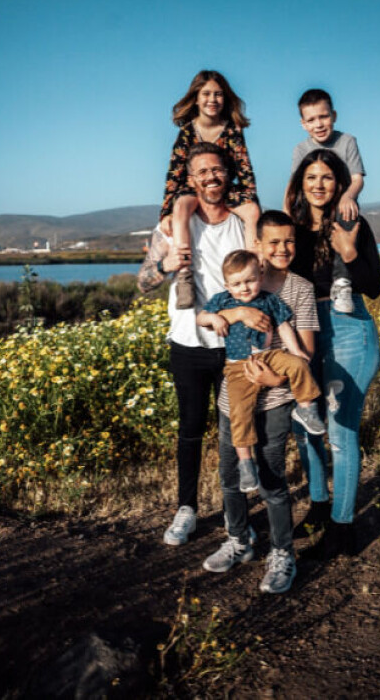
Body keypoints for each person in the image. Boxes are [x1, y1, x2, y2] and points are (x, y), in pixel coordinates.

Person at [202, 210, 320, 594]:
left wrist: (276, 378)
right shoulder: (238, 280)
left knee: (271, 480)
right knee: (231, 476)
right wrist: (235, 311)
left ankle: (282, 552)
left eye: (289, 241)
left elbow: (306, 350)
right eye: (273, 242)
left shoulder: (298, 288)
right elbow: (206, 318)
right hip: (231, 394)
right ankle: (239, 540)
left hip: (276, 397)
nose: (282, 249)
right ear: (257, 245)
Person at [138, 142, 246, 546]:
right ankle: (186, 509)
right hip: (187, 342)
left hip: (235, 344)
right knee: (190, 429)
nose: (211, 178)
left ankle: (235, 512)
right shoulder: (171, 227)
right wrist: (165, 265)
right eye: (202, 172)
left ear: (228, 173)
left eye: (217, 170)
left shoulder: (242, 223)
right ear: (190, 179)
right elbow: (144, 282)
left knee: (235, 431)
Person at [284, 149, 380, 557]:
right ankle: (319, 506)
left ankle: (343, 526)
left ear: (339, 183)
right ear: (300, 184)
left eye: (327, 177)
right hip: (303, 329)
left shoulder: (353, 224)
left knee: (341, 433)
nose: (319, 185)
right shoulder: (290, 228)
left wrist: (348, 249)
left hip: (348, 330)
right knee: (305, 425)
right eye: (311, 177)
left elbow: (374, 284)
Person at [196, 250, 325, 493]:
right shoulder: (223, 301)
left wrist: (297, 350)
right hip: (238, 366)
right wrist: (214, 319)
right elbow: (200, 318)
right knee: (239, 412)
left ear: (260, 276)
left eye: (250, 280)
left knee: (299, 365)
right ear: (227, 285)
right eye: (237, 283)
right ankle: (246, 463)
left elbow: (284, 326)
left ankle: (306, 409)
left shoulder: (269, 300)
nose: (244, 288)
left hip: (270, 356)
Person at [160, 70, 262, 309]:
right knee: (182, 206)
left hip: (226, 188)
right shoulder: (186, 132)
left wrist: (251, 202)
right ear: (196, 98)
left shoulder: (233, 130)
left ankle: (256, 265)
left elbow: (245, 170)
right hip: (192, 188)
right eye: (206, 94)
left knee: (252, 212)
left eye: (218, 94)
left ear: (225, 98)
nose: (212, 100)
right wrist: (166, 213)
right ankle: (185, 275)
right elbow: (173, 173)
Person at [291, 88, 366, 314]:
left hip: (340, 205)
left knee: (347, 212)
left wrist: (347, 195)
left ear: (334, 116)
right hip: (311, 206)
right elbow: (295, 184)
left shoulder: (346, 141)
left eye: (323, 117)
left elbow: (357, 179)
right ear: (303, 124)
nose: (319, 124)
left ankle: (342, 283)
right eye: (312, 120)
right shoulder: (301, 149)